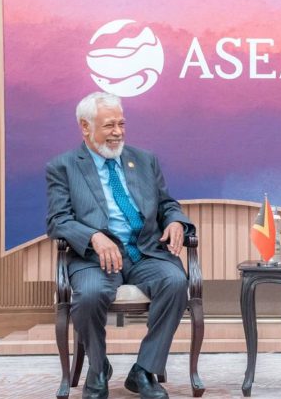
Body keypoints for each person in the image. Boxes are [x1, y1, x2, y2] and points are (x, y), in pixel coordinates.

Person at [46, 91, 194, 399]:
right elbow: (58, 220)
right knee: (90, 295)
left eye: (121, 124)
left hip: (145, 252)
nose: (118, 132)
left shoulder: (144, 160)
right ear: (85, 127)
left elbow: (166, 204)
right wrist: (93, 236)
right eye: (109, 125)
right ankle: (98, 369)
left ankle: (144, 370)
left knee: (176, 281)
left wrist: (176, 222)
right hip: (94, 258)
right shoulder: (63, 166)